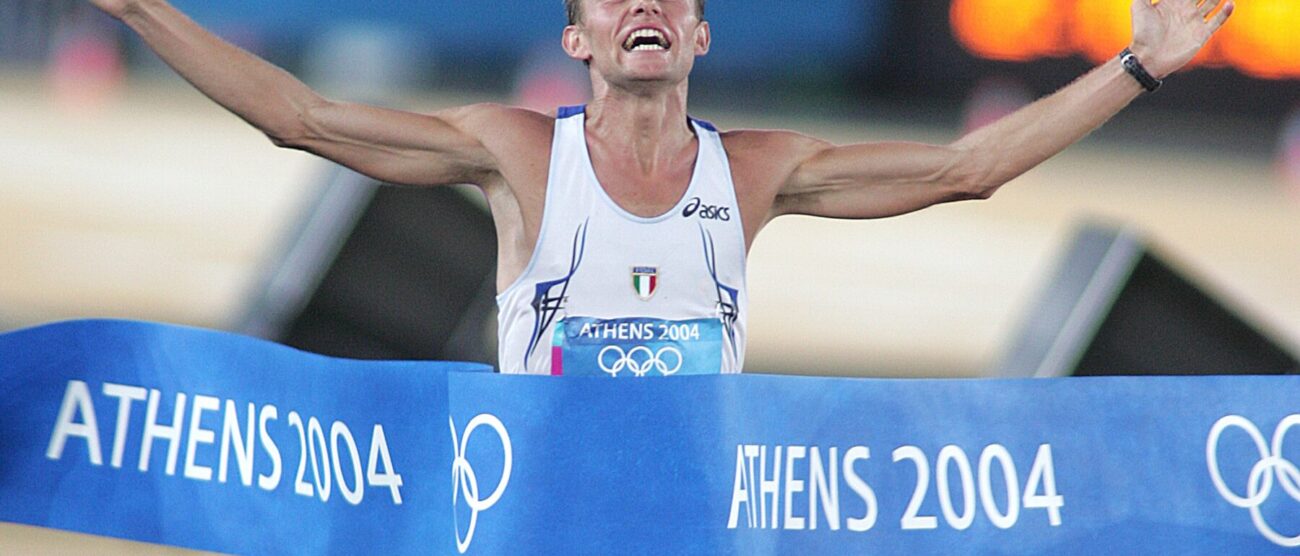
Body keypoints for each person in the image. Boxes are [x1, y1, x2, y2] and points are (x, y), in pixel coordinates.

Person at [86, 0, 1233, 376]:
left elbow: (964, 169)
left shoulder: (758, 170)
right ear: (577, 39)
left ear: (699, 36)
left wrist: (1137, 67)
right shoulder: (515, 152)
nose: (644, 3)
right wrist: (136, 9)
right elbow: (299, 117)